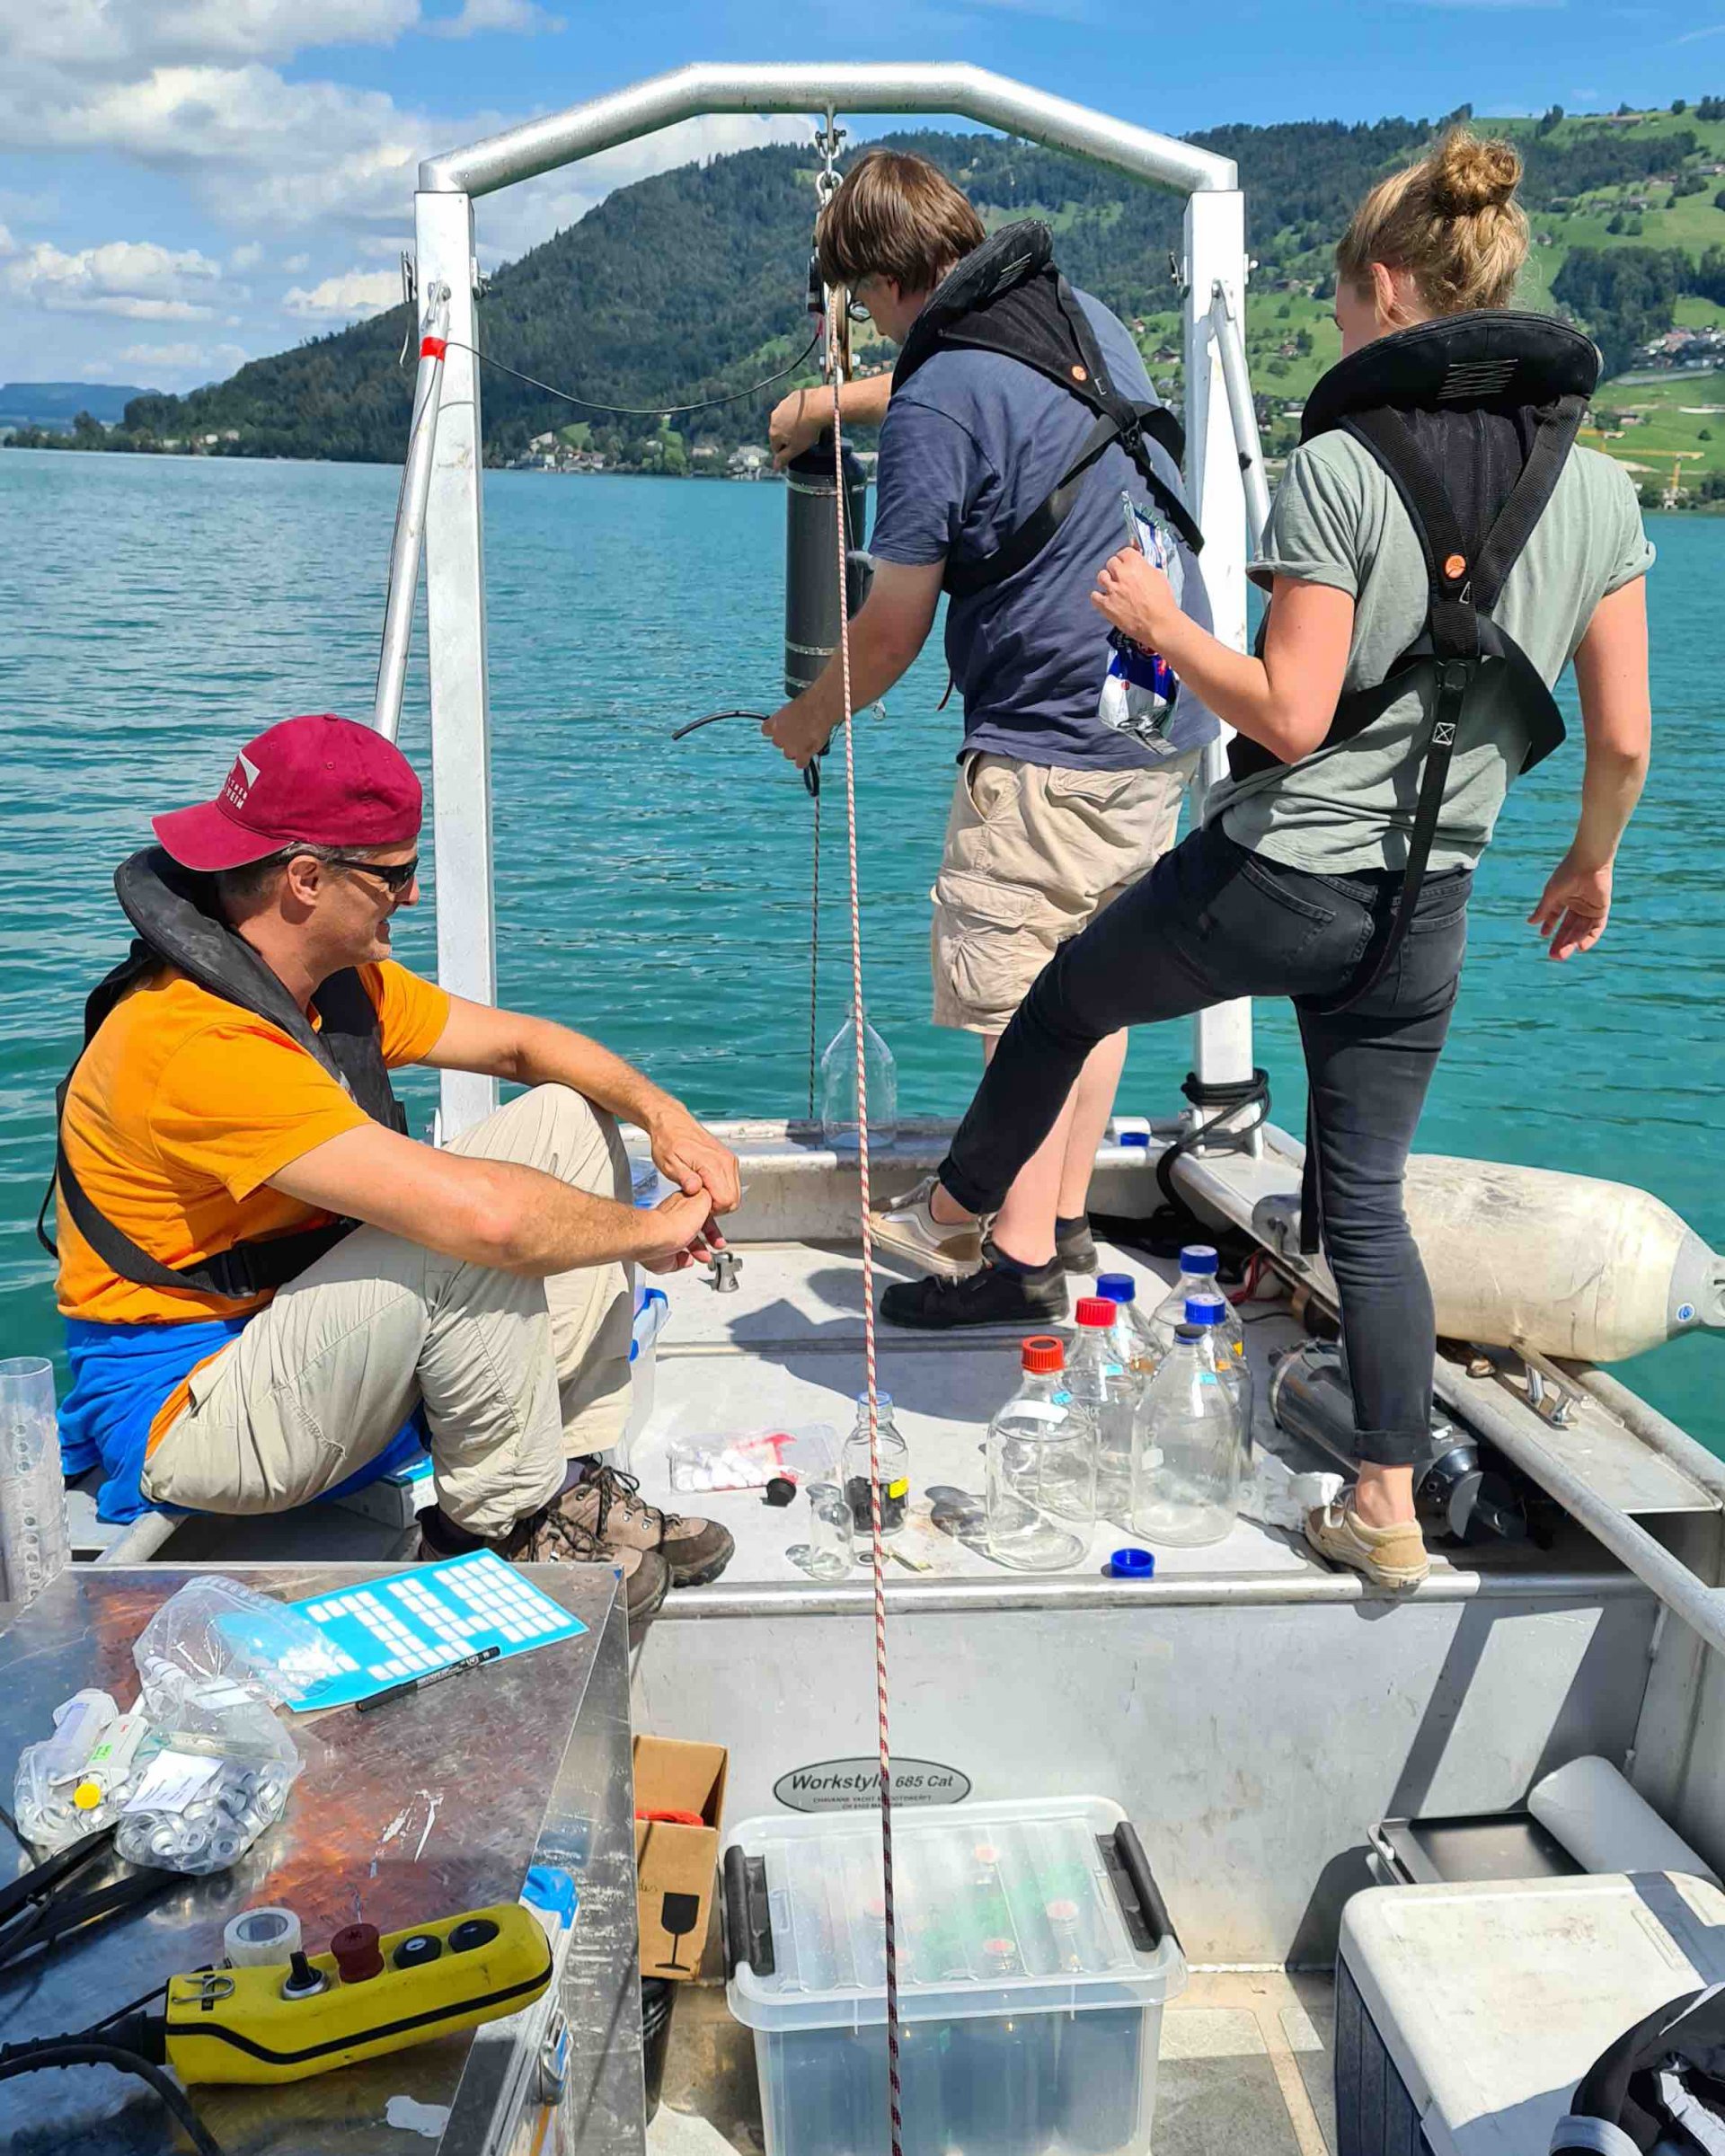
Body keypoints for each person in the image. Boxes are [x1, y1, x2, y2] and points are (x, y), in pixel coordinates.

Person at [896, 128, 1654, 1587]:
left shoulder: (1341, 464)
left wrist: (1167, 625)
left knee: (1066, 994)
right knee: (1363, 1201)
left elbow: (1293, 720)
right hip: (1427, 914)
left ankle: (956, 1209)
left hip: (1283, 886)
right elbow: (1619, 738)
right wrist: (1593, 864)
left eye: (1341, 301)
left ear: (1382, 286)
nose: (1336, 325)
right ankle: (1386, 1501)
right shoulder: (1607, 494)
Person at [51, 712, 740, 1630]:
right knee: (470, 1233)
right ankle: (503, 1526)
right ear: (305, 880)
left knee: (565, 1124)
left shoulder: (330, 987)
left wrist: (666, 1118)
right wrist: (657, 1228)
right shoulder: (190, 1040)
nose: (410, 899)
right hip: (187, 1414)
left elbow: (526, 1046)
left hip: (287, 1340)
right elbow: (486, 1224)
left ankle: (565, 1480)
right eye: (393, 875)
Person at [765, 149, 1217, 1330]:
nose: (865, 321)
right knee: (1093, 975)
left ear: (881, 282)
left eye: (861, 303)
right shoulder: (1078, 315)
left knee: (1017, 987)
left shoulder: (936, 399)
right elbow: (994, 390)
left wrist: (808, 717)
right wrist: (832, 406)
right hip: (1159, 685)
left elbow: (899, 624)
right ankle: (1059, 1221)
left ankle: (1010, 1261)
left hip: (1052, 725)